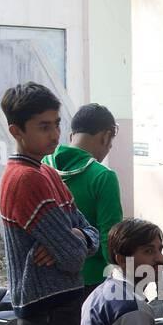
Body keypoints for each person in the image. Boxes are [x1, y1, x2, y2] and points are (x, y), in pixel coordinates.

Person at [0, 82, 100, 325]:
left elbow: (90, 233)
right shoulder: (25, 179)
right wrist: (74, 243)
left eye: (57, 124)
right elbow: (75, 256)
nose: (55, 134)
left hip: (54, 302)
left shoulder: (48, 172)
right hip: (47, 306)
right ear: (16, 131)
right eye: (43, 126)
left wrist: (75, 238)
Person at [42, 102, 123, 295]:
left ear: (71, 136)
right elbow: (110, 238)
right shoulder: (103, 176)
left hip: (47, 280)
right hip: (92, 282)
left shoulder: (42, 166)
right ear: (106, 136)